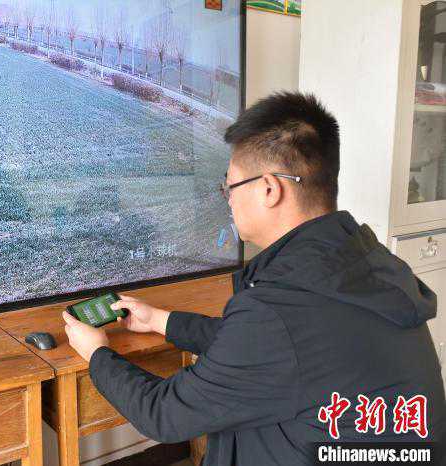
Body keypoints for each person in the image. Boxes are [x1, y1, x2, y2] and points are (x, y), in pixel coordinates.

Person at [62, 92, 446, 465]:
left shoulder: (276, 311)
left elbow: (164, 414)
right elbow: (271, 347)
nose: (228, 199)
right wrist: (161, 321)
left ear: (269, 189)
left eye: (230, 186)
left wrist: (96, 352)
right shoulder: (360, 260)